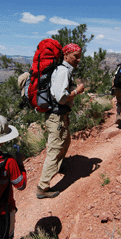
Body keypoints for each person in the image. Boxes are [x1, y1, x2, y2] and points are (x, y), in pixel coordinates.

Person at [36, 43, 85, 199]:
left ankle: (59, 166)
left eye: (79, 57)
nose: (78, 60)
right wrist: (77, 91)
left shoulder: (64, 70)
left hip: (59, 117)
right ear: (66, 55)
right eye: (75, 56)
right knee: (55, 149)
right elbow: (61, 98)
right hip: (57, 117)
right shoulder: (63, 71)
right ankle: (42, 187)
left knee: (65, 141)